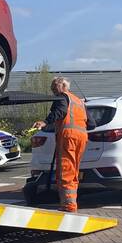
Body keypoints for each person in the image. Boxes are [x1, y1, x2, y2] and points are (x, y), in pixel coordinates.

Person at [31, 77, 91, 212]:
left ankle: (68, 205)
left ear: (63, 86)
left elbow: (60, 112)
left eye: (54, 86)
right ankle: (71, 202)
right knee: (74, 170)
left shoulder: (62, 98)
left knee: (66, 170)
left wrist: (45, 122)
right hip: (82, 137)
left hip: (69, 137)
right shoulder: (79, 101)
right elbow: (92, 123)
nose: (52, 90)